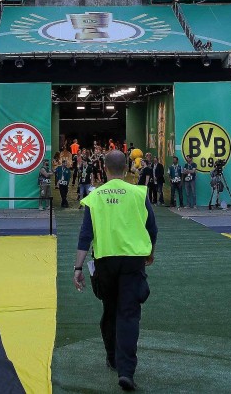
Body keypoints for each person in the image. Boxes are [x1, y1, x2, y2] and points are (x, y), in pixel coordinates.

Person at [73, 149, 157, 392]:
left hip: (105, 262)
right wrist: (150, 252)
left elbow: (85, 235)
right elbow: (152, 228)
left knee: (109, 310)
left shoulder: (95, 197)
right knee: (129, 314)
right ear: (126, 168)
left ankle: (111, 356)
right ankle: (126, 371)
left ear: (105, 168)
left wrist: (78, 267)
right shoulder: (139, 193)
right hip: (133, 261)